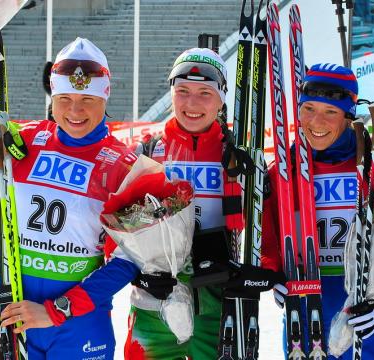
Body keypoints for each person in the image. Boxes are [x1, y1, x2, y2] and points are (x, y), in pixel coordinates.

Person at [0, 37, 139, 359]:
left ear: (105, 97)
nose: (75, 110)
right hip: (15, 320)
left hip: (80, 327)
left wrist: (57, 310)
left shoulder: (123, 166)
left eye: (87, 98)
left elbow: (129, 262)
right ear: (53, 96)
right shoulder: (26, 141)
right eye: (65, 97)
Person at [121, 47, 283, 360]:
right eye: (182, 91)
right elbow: (118, 231)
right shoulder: (149, 151)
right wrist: (138, 275)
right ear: (171, 93)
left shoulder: (239, 157)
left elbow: (269, 229)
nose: (192, 103)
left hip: (218, 302)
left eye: (204, 93)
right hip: (155, 303)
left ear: (222, 98)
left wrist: (261, 272)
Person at [262, 63, 374, 359]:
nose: (317, 121)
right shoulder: (282, 171)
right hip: (305, 319)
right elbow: (270, 239)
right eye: (309, 108)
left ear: (348, 115)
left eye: (330, 111)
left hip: (371, 322)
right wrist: (273, 273)